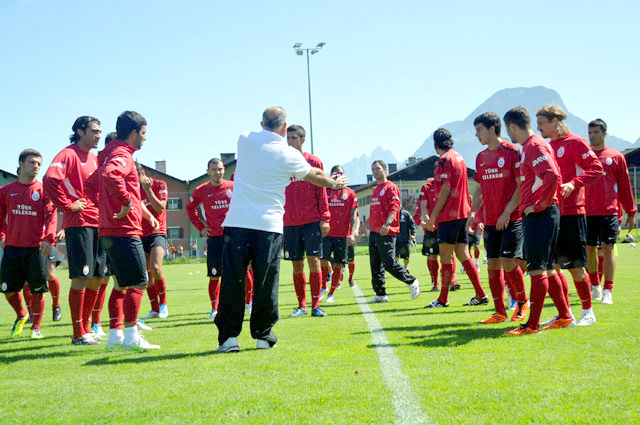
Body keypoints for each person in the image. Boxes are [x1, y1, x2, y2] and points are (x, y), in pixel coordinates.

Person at [215, 106, 347, 352]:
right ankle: (263, 337)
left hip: (237, 224)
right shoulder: (289, 155)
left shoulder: (244, 139)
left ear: (262, 123)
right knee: (266, 282)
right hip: (268, 226)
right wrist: (334, 183)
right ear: (285, 129)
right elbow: (314, 175)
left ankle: (228, 339)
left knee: (233, 281)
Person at [502, 106, 571, 335]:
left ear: (512, 126)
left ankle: (531, 326)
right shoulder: (532, 147)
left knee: (537, 270)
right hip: (543, 214)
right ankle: (564, 316)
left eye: (507, 129)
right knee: (549, 270)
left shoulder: (533, 145)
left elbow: (551, 174)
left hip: (541, 215)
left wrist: (540, 204)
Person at [98, 111, 160, 351]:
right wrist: (124, 203)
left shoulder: (108, 154)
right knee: (139, 282)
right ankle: (132, 337)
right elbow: (110, 176)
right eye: (143, 133)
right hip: (123, 229)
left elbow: (95, 182)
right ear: (133, 133)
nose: (145, 138)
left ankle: (115, 337)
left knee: (121, 285)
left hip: (110, 229)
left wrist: (145, 214)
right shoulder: (121, 155)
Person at [537, 105, 604, 327]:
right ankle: (565, 314)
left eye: (542, 123)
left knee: (575, 266)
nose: (539, 128)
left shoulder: (574, 142)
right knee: (553, 267)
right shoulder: (545, 146)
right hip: (552, 213)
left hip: (573, 213)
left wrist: (573, 184)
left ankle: (588, 312)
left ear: (555, 121)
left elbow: (596, 168)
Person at [43, 116, 107, 345]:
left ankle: (87, 328)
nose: (98, 135)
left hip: (98, 222)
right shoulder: (67, 154)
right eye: (94, 131)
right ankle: (78, 332)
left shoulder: (95, 157)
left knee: (97, 278)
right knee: (81, 276)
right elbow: (50, 179)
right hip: (79, 223)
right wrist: (67, 205)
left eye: (100, 131)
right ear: (80, 131)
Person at [467, 112, 529, 324]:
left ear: (493, 128)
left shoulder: (513, 152)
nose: (477, 135)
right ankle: (500, 311)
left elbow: (521, 187)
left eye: (479, 130)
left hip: (512, 219)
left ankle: (522, 302)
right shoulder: (481, 158)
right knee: (492, 264)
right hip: (491, 221)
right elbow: (479, 190)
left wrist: (507, 212)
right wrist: (473, 213)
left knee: (508, 261)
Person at [425, 129, 486, 308]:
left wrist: (433, 217)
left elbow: (445, 189)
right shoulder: (459, 156)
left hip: (449, 215)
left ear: (436, 144)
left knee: (445, 257)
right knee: (463, 255)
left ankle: (442, 299)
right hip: (462, 213)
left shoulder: (445, 160)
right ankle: (481, 294)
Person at [0, 149, 56, 339]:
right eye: (32, 162)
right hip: (12, 248)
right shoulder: (6, 191)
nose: (36, 167)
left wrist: (49, 238)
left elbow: (51, 216)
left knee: (37, 291)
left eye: (39, 164)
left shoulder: (43, 190)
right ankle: (22, 314)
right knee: (7, 290)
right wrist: (1, 235)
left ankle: (36, 328)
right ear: (21, 164)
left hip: (36, 248)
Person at [585, 119, 636, 304]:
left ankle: (608, 290)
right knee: (589, 249)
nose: (592, 136)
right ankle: (595, 286)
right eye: (590, 133)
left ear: (604, 133)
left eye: (596, 132)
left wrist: (631, 212)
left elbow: (625, 187)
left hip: (609, 211)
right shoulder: (585, 157)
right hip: (587, 211)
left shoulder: (616, 157)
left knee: (607, 248)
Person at [283, 125, 331, 317]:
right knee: (296, 264)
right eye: (288, 138)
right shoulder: (282, 163)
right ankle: (301, 306)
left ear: (303, 140)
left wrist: (325, 218)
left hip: (311, 221)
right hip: (289, 222)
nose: (290, 141)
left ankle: (315, 306)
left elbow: (322, 191)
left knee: (314, 261)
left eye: (294, 138)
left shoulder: (313, 161)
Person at [361, 160, 420, 303]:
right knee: (375, 265)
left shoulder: (391, 187)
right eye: (373, 169)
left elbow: (395, 208)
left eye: (378, 169)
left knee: (389, 262)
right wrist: (364, 226)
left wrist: (387, 224)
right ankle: (380, 294)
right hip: (374, 233)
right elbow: (374, 212)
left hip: (387, 231)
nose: (375, 172)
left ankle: (411, 281)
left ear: (385, 170)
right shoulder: (375, 189)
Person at [186, 158, 234, 320]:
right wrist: (201, 227)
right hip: (214, 238)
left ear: (224, 170)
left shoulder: (233, 187)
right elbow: (189, 208)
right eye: (214, 170)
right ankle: (215, 308)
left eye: (220, 169)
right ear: (208, 172)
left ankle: (247, 304)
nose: (217, 172)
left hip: (234, 237)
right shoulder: (201, 190)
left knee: (243, 272)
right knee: (215, 274)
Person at [321, 165, 359, 303]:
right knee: (322, 260)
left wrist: (354, 231)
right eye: (335, 173)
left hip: (342, 235)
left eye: (340, 173)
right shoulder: (324, 190)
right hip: (326, 234)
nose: (338, 176)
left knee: (338, 263)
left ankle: (331, 293)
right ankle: (323, 286)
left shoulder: (350, 193)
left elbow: (353, 215)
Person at [137, 165, 170, 320]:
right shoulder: (132, 189)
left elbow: (159, 208)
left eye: (136, 174)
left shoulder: (159, 184)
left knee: (155, 267)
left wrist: (148, 190)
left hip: (157, 232)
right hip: (139, 234)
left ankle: (163, 305)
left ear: (142, 173)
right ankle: (154, 309)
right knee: (146, 274)